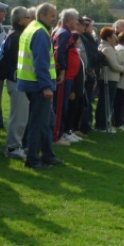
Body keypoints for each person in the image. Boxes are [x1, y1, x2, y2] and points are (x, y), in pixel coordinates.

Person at [17, 3, 62, 168]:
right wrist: (45, 87)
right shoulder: (40, 33)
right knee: (39, 123)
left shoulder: (31, 28)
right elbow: (41, 62)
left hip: (29, 82)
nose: (54, 18)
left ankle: (47, 155)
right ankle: (33, 159)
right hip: (39, 86)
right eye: (51, 15)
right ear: (41, 15)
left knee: (47, 121)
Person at [0, 7, 31, 159]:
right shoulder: (17, 37)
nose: (31, 20)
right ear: (21, 20)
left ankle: (16, 145)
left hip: (18, 80)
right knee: (18, 115)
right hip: (17, 80)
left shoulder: (15, 35)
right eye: (28, 17)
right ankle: (12, 147)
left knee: (20, 114)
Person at [52, 9, 80, 145]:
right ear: (69, 20)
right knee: (59, 107)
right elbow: (59, 53)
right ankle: (56, 136)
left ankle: (60, 132)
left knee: (63, 106)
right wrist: (61, 71)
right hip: (63, 77)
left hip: (68, 77)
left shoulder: (65, 33)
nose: (77, 22)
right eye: (76, 19)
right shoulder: (63, 33)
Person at [95, 27, 124, 133]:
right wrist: (123, 68)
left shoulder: (106, 47)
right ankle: (102, 125)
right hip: (109, 78)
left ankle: (100, 124)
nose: (115, 38)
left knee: (104, 102)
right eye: (113, 36)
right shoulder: (107, 49)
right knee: (106, 102)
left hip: (109, 78)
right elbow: (114, 66)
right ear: (108, 38)